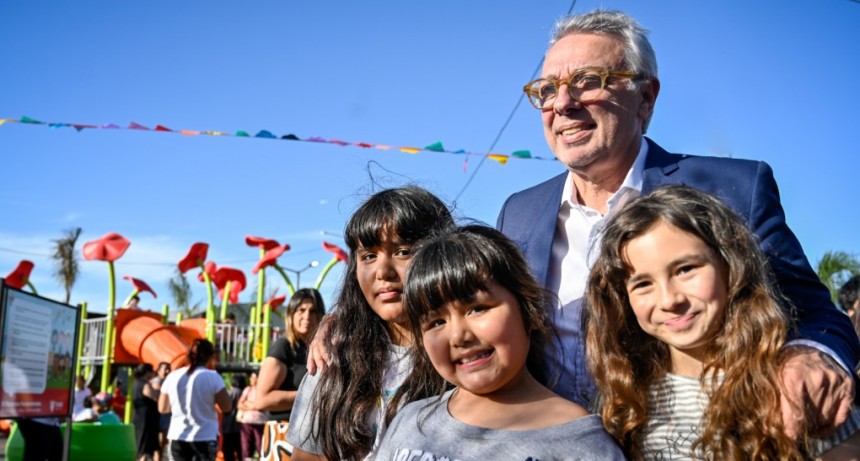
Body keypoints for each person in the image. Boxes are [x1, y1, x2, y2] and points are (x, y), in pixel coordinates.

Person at [496, 9, 859, 434]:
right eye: (548, 89)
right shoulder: (518, 214)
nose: (562, 104)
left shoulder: (733, 187)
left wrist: (810, 353)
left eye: (588, 81)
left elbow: (814, 311)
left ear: (645, 96)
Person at [585, 185, 860, 459]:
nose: (669, 299)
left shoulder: (797, 388)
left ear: (731, 267)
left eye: (685, 269)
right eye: (643, 284)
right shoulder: (622, 400)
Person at [375, 225, 625, 460]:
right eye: (436, 323)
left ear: (531, 312)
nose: (459, 336)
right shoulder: (409, 420)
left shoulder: (581, 444)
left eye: (477, 309)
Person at [288, 186, 455, 461]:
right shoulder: (331, 358)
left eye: (403, 251)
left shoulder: (467, 358)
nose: (383, 272)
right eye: (368, 256)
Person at [254, 288, 324, 460]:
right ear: (291, 314)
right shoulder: (283, 347)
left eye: (313, 311)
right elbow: (261, 399)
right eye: (301, 310)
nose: (307, 316)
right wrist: (311, 394)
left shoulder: (317, 349)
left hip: (309, 436)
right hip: (283, 436)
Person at [157, 338, 232, 461]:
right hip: (205, 435)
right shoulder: (213, 377)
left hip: (178, 434)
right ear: (210, 357)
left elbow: (163, 408)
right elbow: (226, 407)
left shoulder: (173, 376)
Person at [132, 363, 161, 461]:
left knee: (144, 447)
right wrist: (158, 389)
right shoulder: (144, 384)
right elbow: (154, 396)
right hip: (145, 420)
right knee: (144, 449)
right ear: (147, 372)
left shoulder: (136, 383)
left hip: (140, 418)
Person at [238, 372, 267, 460]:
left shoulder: (263, 390)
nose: (251, 379)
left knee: (260, 445)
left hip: (260, 422)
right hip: (246, 422)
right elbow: (239, 404)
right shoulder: (248, 389)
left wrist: (248, 404)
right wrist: (254, 406)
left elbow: (262, 406)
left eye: (253, 377)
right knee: (246, 446)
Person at [222, 374, 246, 461]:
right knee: (241, 450)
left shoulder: (229, 392)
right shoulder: (244, 392)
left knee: (228, 451)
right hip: (241, 427)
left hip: (227, 426)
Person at [150, 362, 171, 456]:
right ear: (158, 371)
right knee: (159, 441)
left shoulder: (168, 381)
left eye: (169, 369)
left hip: (166, 413)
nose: (167, 371)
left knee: (163, 441)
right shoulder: (157, 381)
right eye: (165, 369)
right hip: (160, 414)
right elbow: (158, 397)